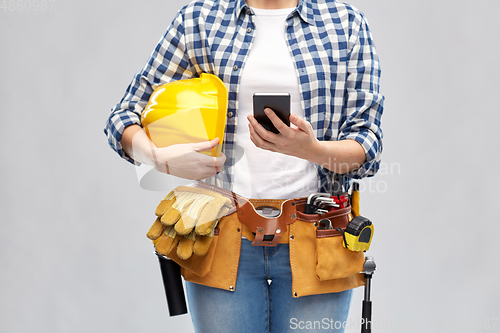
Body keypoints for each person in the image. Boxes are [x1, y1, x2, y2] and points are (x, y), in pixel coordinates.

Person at [104, 0, 383, 332]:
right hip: (222, 233)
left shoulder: (346, 23)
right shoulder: (199, 19)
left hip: (317, 239)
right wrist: (158, 158)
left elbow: (369, 145)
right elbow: (123, 115)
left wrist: (311, 150)